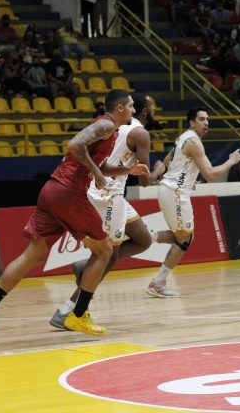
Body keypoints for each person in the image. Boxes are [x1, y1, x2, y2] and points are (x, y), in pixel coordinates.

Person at [0, 90, 148, 346]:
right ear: (119, 108)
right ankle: (78, 314)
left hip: (52, 191)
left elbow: (98, 163)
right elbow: (74, 145)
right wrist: (97, 175)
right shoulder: (107, 124)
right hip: (69, 193)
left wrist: (126, 169)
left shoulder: (109, 130)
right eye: (130, 106)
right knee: (105, 251)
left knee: (33, 254)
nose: (134, 110)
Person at [49, 93, 167, 328]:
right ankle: (67, 310)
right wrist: (159, 170)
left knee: (143, 239)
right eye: (151, 107)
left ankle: (86, 266)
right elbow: (145, 181)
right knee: (108, 256)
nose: (154, 110)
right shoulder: (141, 133)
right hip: (107, 195)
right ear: (143, 111)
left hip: (108, 189)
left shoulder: (120, 125)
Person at [146, 107, 240, 297]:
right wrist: (231, 161)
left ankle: (144, 237)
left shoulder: (183, 137)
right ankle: (158, 282)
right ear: (192, 122)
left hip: (170, 190)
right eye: (201, 119)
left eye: (207, 119)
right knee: (184, 240)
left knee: (183, 237)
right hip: (175, 192)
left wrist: (188, 177)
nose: (206, 123)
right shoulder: (194, 142)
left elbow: (167, 160)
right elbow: (211, 175)